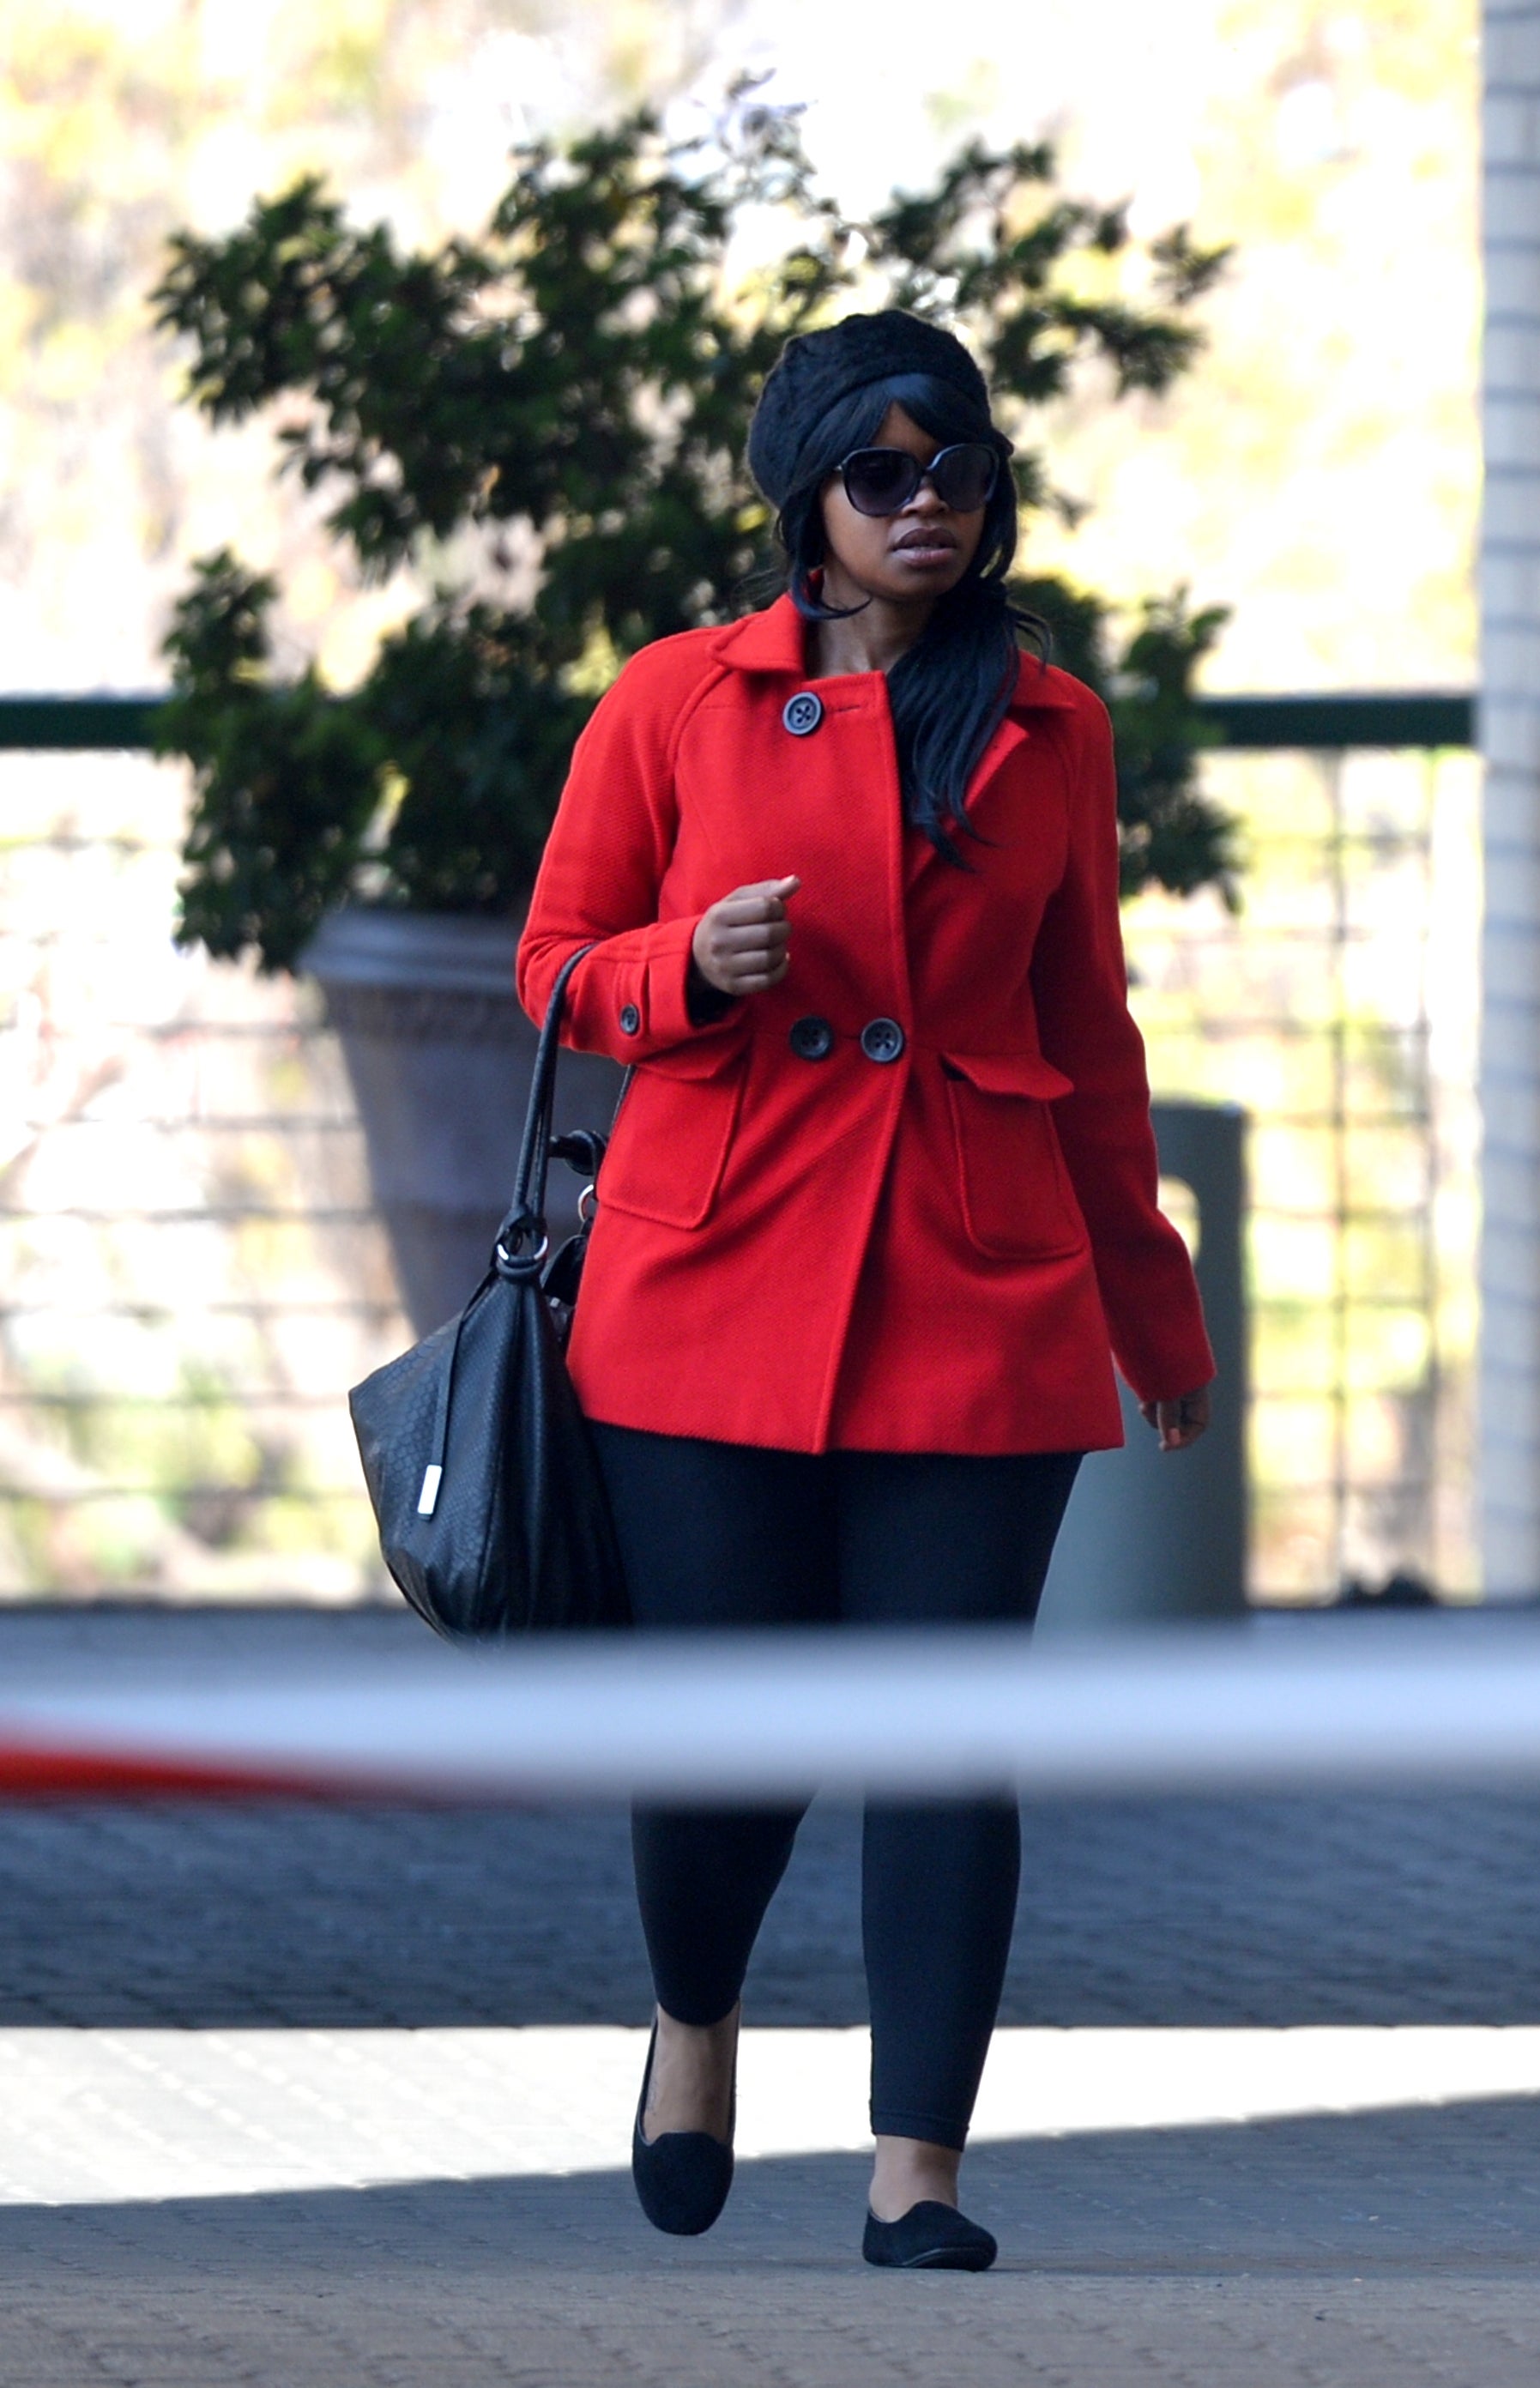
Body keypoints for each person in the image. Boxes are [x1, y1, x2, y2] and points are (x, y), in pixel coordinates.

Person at [517, 310, 1216, 2272]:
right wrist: (681, 970)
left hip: (976, 1287)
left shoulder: (1049, 723)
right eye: (886, 477)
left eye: (962, 475)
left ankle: (920, 2169)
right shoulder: (675, 700)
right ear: (805, 501)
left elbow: (1092, 1028)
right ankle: (695, 2019)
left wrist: (1152, 1316)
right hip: (710, 1277)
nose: (932, 508)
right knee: (733, 1722)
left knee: (940, 1736)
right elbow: (555, 966)